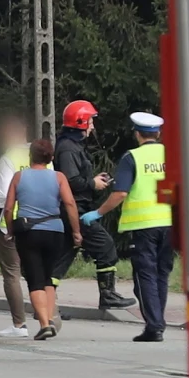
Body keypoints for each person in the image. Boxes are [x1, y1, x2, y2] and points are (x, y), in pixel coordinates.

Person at [83, 112, 174, 342]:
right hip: (169, 224)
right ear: (158, 133)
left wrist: (97, 213)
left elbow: (121, 192)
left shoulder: (131, 158)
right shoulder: (171, 155)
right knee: (161, 274)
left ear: (137, 134)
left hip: (144, 226)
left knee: (145, 277)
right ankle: (157, 322)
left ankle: (154, 326)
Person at [51, 99, 137, 310]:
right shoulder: (68, 149)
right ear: (80, 122)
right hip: (76, 210)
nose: (92, 126)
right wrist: (92, 183)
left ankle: (45, 303)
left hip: (74, 208)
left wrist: (95, 180)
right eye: (90, 121)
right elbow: (70, 180)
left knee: (62, 258)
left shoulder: (72, 146)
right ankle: (108, 295)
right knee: (106, 247)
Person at [3, 138, 82, 340]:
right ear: (51, 158)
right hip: (55, 231)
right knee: (48, 278)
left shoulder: (19, 177)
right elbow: (70, 204)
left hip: (28, 232)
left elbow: (9, 208)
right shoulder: (59, 177)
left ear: (31, 157)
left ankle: (45, 324)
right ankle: (49, 321)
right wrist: (76, 231)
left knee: (35, 279)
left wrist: (10, 229)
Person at [0, 114, 31, 338]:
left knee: (12, 275)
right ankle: (49, 319)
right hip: (39, 223)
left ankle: (19, 325)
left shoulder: (8, 158)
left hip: (11, 225)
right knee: (38, 273)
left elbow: (2, 194)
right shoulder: (41, 154)